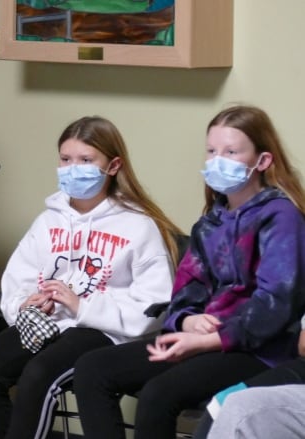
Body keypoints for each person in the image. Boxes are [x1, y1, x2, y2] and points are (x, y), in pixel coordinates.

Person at [73, 105, 305, 439]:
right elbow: (186, 290)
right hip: (200, 338)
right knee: (93, 369)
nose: (217, 160)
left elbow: (275, 305)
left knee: (158, 394)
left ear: (263, 161)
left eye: (231, 152)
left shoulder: (281, 217)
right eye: (212, 151)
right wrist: (186, 321)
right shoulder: (210, 222)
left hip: (258, 350)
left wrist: (207, 341)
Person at [0, 116, 182, 439]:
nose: (72, 168)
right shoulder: (49, 220)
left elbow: (154, 304)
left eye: (85, 160)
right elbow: (17, 277)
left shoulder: (138, 225)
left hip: (100, 329)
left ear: (113, 165)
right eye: (66, 159)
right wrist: (25, 303)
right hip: (46, 322)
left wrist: (83, 307)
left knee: (39, 375)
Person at [189, 316, 305, 438]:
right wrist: (185, 320)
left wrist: (203, 342)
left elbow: (270, 311)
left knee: (241, 411)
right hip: (237, 340)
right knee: (224, 406)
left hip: (268, 351)